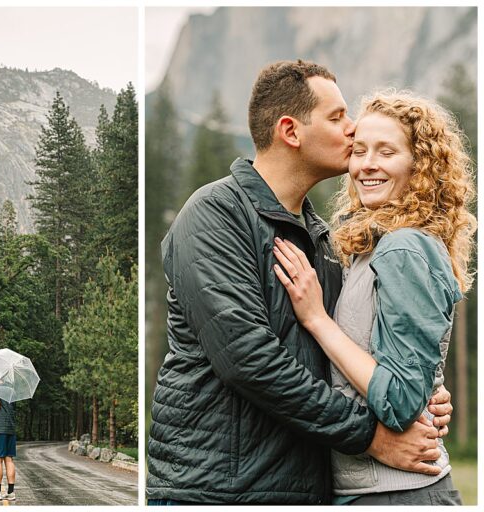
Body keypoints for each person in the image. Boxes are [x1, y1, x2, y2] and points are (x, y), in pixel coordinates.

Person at [146, 61, 453, 505]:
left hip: (305, 490)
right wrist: (371, 436)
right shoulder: (215, 215)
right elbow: (250, 360)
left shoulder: (323, 240)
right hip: (218, 492)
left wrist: (425, 390)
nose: (352, 131)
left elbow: (356, 350)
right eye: (337, 118)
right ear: (291, 131)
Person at [271, 90, 474, 505]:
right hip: (370, 490)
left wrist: (317, 319)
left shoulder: (403, 248)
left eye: (386, 151)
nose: (367, 165)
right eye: (359, 150)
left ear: (421, 165)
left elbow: (399, 399)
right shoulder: (375, 248)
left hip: (400, 494)